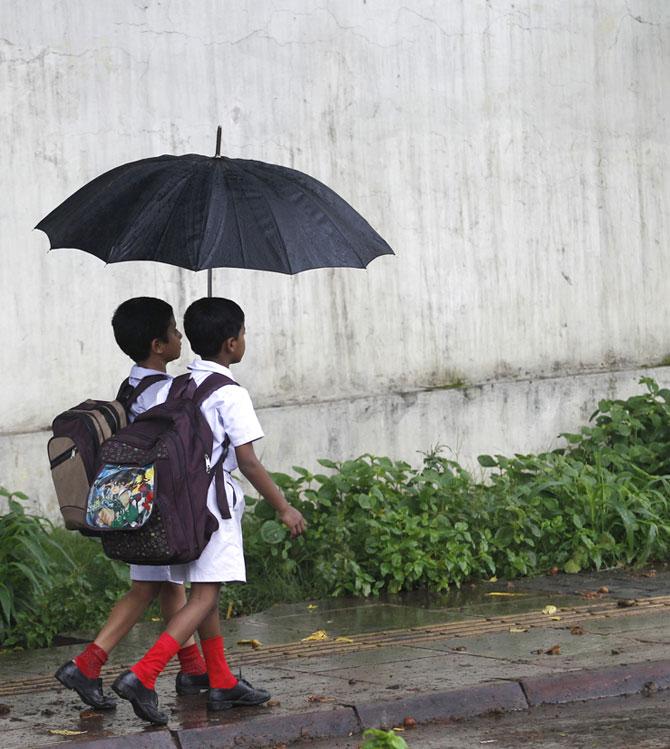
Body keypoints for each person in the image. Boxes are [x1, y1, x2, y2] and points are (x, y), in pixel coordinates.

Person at [111, 297, 306, 725]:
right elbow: (249, 460)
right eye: (243, 336)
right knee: (205, 596)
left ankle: (220, 682)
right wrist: (284, 507)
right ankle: (143, 674)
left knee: (206, 592)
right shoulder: (231, 394)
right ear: (232, 343)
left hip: (181, 504)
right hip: (214, 508)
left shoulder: (178, 384)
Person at [55, 297, 210, 710]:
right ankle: (88, 663)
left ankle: (193, 668)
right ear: (159, 345)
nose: (181, 336)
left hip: (136, 501)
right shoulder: (164, 391)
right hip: (156, 507)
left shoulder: (133, 385)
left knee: (166, 583)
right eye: (175, 331)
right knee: (147, 587)